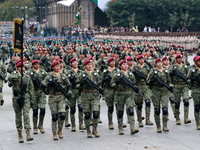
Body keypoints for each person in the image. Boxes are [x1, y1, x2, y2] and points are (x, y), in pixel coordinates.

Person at [42, 61, 72, 140]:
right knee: (54, 116)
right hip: (53, 97)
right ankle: (54, 133)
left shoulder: (63, 76)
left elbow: (69, 85)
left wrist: (69, 93)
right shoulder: (49, 76)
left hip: (61, 97)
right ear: (52, 68)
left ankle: (60, 130)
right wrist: (49, 84)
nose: (58, 68)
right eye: (56, 66)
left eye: (59, 66)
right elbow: (43, 84)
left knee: (62, 115)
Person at [8, 60, 35, 143]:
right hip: (16, 97)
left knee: (26, 114)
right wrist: (18, 76)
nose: (22, 69)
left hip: (26, 96)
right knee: (18, 115)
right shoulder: (14, 75)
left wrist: (32, 100)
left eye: (23, 67)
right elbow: (9, 82)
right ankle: (20, 134)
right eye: (19, 67)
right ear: (17, 68)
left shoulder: (27, 76)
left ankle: (28, 133)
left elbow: (31, 89)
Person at [76, 59, 103, 138]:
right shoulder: (82, 75)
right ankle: (88, 131)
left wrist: (100, 89)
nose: (90, 66)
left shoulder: (96, 74)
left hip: (95, 95)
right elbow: (77, 85)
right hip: (85, 96)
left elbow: (99, 83)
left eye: (91, 64)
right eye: (88, 65)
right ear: (85, 66)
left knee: (95, 113)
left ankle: (95, 130)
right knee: (87, 114)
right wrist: (81, 84)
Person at [110, 59, 139, 135]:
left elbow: (134, 83)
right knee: (120, 112)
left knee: (131, 110)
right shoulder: (116, 75)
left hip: (129, 94)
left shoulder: (130, 74)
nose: (125, 66)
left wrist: (135, 88)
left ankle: (132, 128)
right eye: (124, 64)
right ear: (120, 66)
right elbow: (111, 84)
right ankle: (120, 128)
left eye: (126, 64)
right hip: (119, 94)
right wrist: (116, 83)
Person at [147, 58, 172, 133]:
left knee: (165, 109)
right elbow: (147, 81)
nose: (160, 64)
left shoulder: (166, 71)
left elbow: (169, 81)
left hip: (164, 91)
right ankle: (158, 126)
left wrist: (170, 86)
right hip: (155, 92)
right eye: (158, 63)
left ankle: (165, 126)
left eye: (160, 62)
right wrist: (151, 81)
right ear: (155, 64)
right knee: (157, 110)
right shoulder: (152, 71)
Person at [169, 54, 191, 125]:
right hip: (176, 86)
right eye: (178, 58)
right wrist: (171, 74)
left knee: (186, 101)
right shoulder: (172, 67)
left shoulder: (185, 67)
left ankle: (186, 118)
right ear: (176, 59)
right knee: (177, 103)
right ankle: (177, 118)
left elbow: (189, 75)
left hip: (184, 85)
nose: (180, 59)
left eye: (181, 58)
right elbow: (168, 76)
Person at [65, 58, 86, 131]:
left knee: (81, 107)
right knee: (72, 109)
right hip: (72, 91)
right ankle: (73, 125)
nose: (75, 63)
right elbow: (66, 83)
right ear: (71, 64)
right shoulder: (68, 73)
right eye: (74, 62)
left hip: (80, 91)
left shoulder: (81, 72)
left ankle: (81, 124)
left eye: (76, 62)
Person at [28, 60, 48, 134]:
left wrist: (43, 84)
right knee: (35, 111)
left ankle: (41, 125)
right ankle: (35, 127)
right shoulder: (30, 72)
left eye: (38, 64)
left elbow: (48, 78)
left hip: (41, 92)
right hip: (34, 92)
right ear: (32, 65)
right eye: (35, 64)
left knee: (42, 110)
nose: (37, 66)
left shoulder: (42, 71)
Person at [133, 55, 153, 127]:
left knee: (148, 101)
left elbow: (151, 75)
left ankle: (148, 119)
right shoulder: (135, 68)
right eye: (140, 59)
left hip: (146, 86)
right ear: (137, 60)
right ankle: (140, 120)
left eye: (143, 59)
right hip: (138, 86)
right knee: (139, 105)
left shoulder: (147, 67)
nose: (142, 60)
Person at [102, 57, 119, 129]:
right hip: (108, 90)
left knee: (118, 107)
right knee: (110, 108)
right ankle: (110, 123)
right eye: (111, 62)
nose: (113, 63)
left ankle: (120, 122)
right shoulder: (105, 71)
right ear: (108, 63)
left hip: (116, 90)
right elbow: (101, 80)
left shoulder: (118, 70)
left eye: (114, 61)